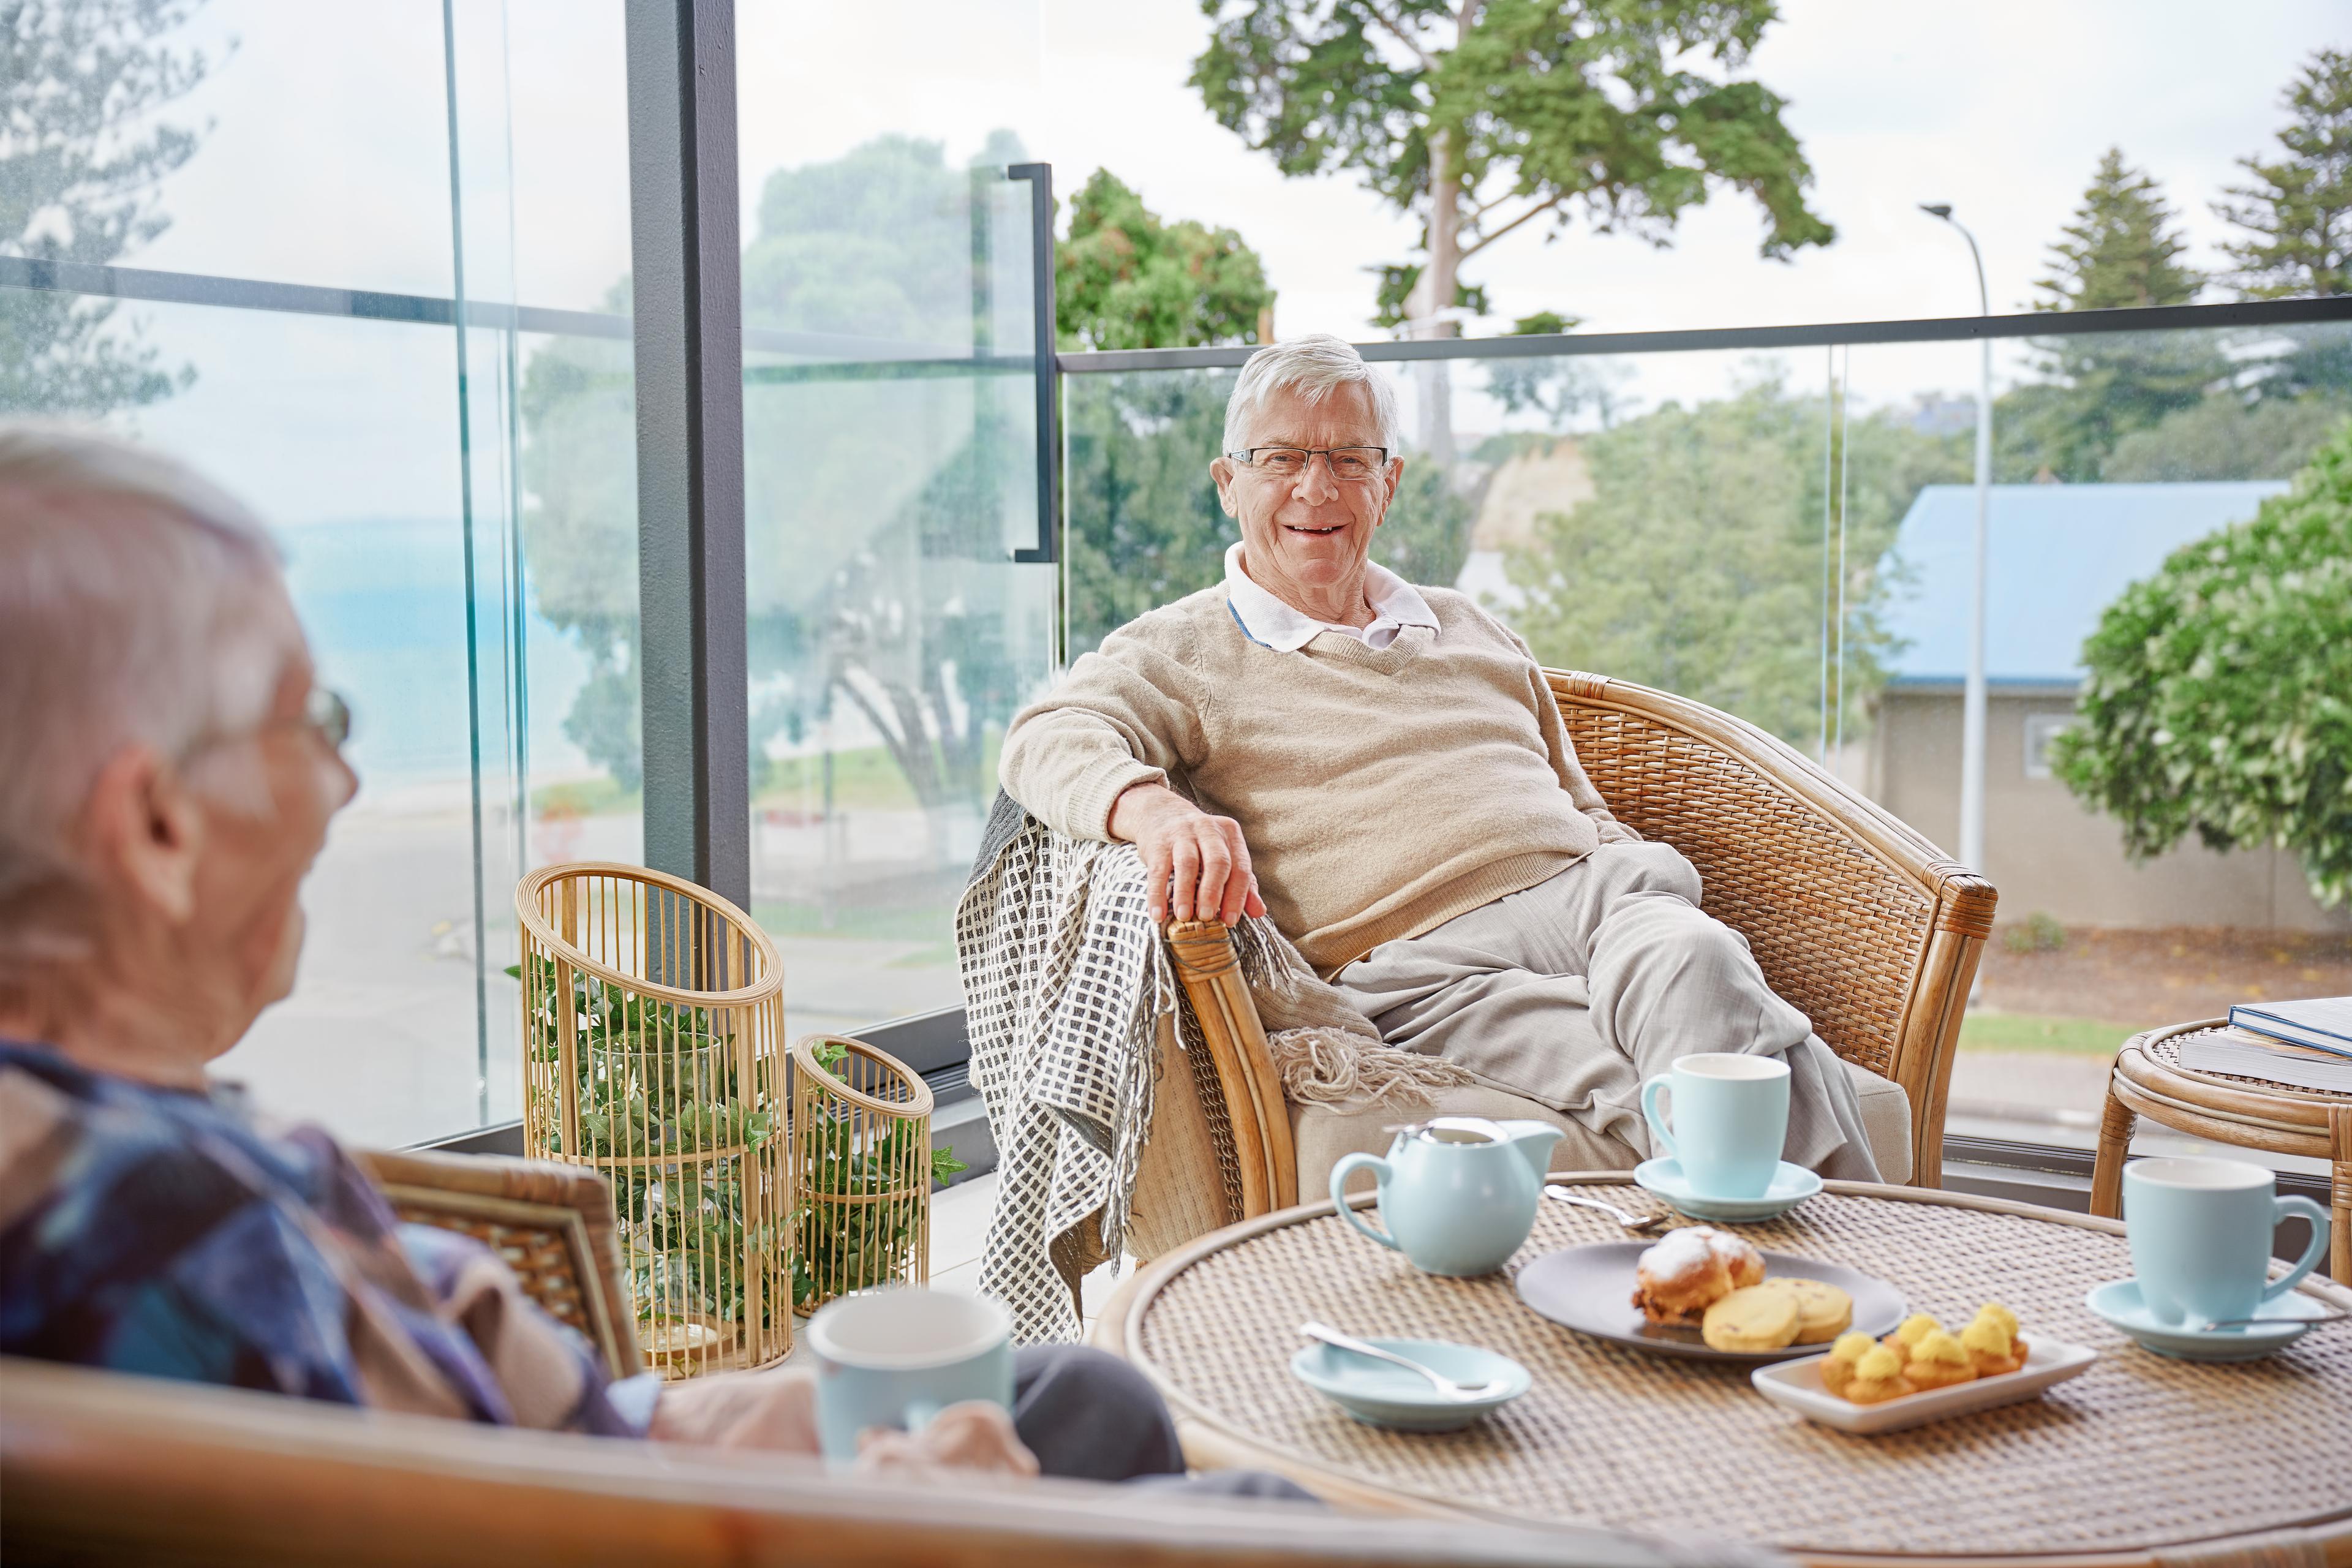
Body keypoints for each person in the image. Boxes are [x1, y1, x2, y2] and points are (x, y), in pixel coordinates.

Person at [0, 422, 1304, 1500]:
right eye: (308, 720)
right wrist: (914, 1517)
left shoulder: (95, 1134)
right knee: (1257, 1507)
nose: (341, 779)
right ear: (153, 825)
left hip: (601, 1454)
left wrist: (678, 1423)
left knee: (1083, 1389)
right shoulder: (161, 1241)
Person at [998, 335, 1879, 1178]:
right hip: (1429, 965)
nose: (1317, 487)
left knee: (1700, 956)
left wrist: (1617, 867)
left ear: (1390, 483)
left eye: (1350, 458)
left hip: (1602, 901)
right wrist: (1158, 810)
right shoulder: (1183, 649)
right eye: (1282, 459)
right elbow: (1047, 735)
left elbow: (1577, 796)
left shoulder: (1468, 624)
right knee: (1723, 1080)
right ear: (1230, 483)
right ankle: (1832, 1298)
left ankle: (1746, 1285)